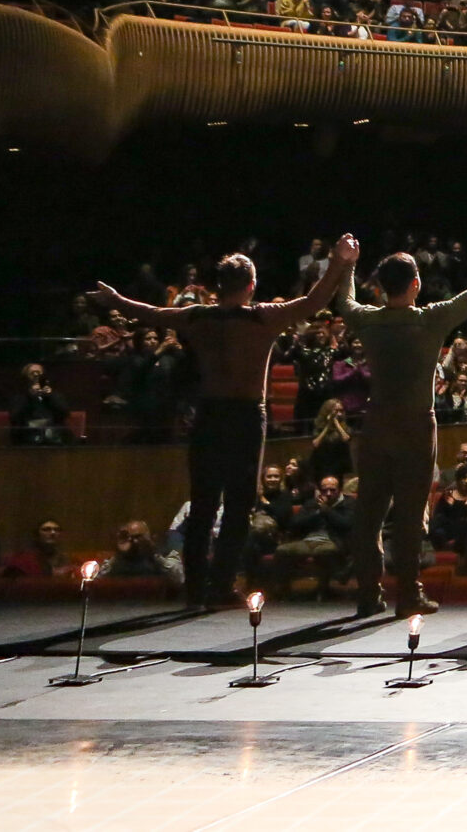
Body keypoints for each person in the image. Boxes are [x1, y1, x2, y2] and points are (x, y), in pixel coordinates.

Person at [88, 237, 358, 606]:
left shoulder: (198, 316)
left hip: (209, 414)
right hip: (245, 415)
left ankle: (195, 590)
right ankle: (221, 586)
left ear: (218, 285)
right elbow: (314, 301)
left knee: (202, 505)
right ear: (252, 285)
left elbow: (152, 313)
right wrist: (340, 262)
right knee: (238, 506)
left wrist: (115, 300)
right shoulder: (262, 316)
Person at [341, 232, 467, 617]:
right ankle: (408, 596)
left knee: (369, 513)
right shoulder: (430, 319)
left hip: (376, 423)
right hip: (415, 425)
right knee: (410, 514)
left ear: (380, 287)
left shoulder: (368, 320)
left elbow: (344, 301)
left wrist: (347, 264)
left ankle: (368, 595)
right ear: (416, 284)